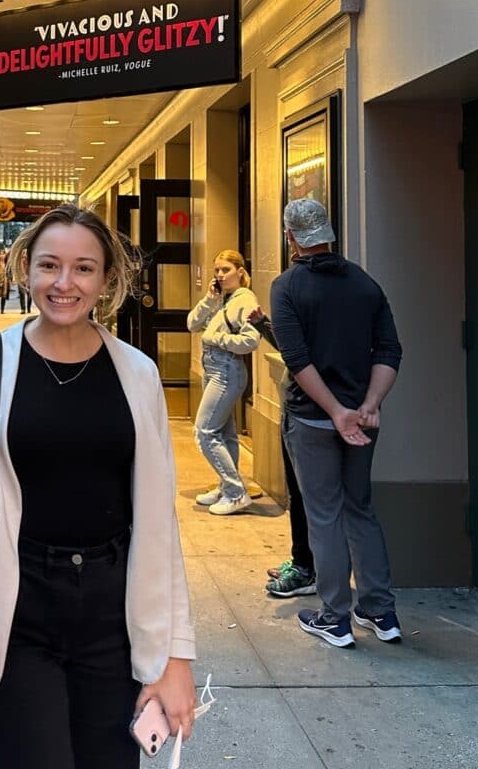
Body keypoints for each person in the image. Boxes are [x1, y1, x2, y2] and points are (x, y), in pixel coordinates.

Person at [0, 204, 196, 769]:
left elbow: (160, 526)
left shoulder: (137, 374)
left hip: (115, 615)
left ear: (107, 280)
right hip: (16, 609)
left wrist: (176, 656)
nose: (64, 284)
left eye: (83, 269)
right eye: (49, 266)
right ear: (25, 270)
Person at [270, 198, 403, 648]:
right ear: (329, 233)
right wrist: (368, 405)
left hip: (313, 421)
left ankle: (335, 617)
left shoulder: (287, 287)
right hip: (363, 420)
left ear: (292, 238)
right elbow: (390, 350)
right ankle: (381, 612)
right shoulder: (366, 285)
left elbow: (297, 360)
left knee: (323, 515)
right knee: (360, 509)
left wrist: (335, 412)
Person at [246, 306, 317, 599]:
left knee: (304, 497)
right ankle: (304, 561)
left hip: (307, 414)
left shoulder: (306, 296)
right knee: (300, 496)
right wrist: (265, 326)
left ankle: (306, 569)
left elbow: (298, 356)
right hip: (302, 411)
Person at [186, 250, 262, 515]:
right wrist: (209, 299)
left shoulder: (245, 299)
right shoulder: (223, 299)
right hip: (213, 370)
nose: (220, 275)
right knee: (224, 434)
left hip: (227, 371)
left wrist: (215, 339)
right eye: (217, 270)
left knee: (204, 432)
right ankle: (226, 485)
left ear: (240, 272)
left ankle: (235, 492)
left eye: (226, 270)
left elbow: (251, 340)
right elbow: (192, 323)